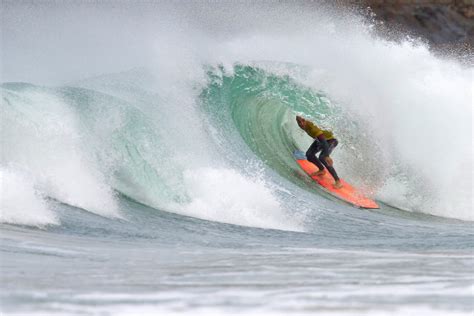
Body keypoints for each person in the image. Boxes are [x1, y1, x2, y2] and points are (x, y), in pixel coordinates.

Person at [296, 115, 343, 189]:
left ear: (305, 120)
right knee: (309, 155)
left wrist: (327, 155)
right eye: (299, 122)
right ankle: (321, 170)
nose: (301, 124)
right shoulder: (304, 126)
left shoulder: (313, 128)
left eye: (303, 121)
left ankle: (338, 181)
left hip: (331, 140)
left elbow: (324, 142)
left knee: (323, 157)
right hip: (320, 140)